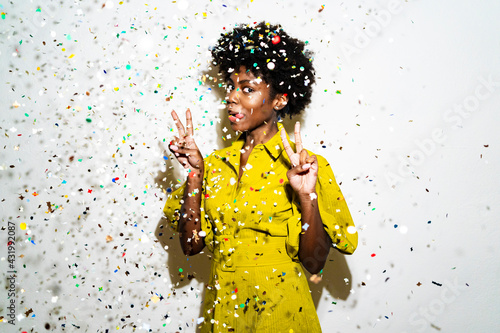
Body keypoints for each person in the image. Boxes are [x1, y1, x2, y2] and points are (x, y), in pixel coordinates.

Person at [163, 21, 357, 332]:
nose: (231, 97)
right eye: (231, 86)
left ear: (280, 99)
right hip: (224, 312)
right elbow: (190, 246)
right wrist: (196, 176)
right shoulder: (213, 164)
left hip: (283, 314)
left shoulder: (306, 166)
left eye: (247, 89)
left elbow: (315, 263)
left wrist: (307, 195)